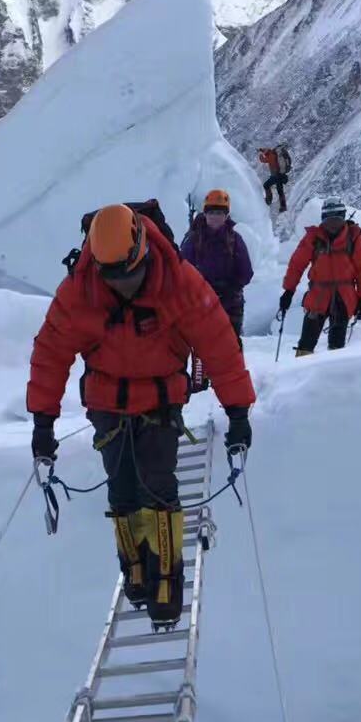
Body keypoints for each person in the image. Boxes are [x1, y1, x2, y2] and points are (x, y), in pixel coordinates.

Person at [28, 204, 256, 626]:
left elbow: (219, 343)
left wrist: (238, 411)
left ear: (142, 250)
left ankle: (165, 576)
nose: (123, 287)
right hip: (108, 406)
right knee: (123, 489)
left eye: (129, 276)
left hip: (158, 404)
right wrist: (43, 424)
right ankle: (134, 566)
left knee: (158, 488)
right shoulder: (81, 288)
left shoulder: (177, 281)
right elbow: (51, 353)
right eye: (113, 278)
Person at [278, 197, 361, 356]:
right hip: (319, 296)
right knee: (307, 342)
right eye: (330, 220)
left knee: (337, 343)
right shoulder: (314, 238)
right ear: (323, 220)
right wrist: (288, 291)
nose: (333, 224)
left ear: (343, 217)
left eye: (337, 219)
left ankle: (332, 374)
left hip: (342, 298)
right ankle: (301, 367)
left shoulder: (354, 237)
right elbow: (296, 265)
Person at [179, 189, 253, 340]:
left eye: (219, 213)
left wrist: (229, 286)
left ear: (226, 216)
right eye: (212, 212)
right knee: (203, 350)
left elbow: (246, 272)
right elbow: (182, 271)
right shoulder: (194, 240)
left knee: (230, 350)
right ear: (205, 213)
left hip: (230, 304)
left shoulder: (235, 240)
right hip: (201, 304)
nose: (215, 217)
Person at [257, 146, 291, 212]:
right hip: (281, 175)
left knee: (266, 185)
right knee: (280, 191)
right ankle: (283, 207)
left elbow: (263, 160)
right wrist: (261, 150)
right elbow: (266, 152)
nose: (264, 154)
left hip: (276, 176)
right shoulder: (273, 154)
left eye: (264, 152)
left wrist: (260, 155)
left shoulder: (270, 156)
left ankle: (268, 200)